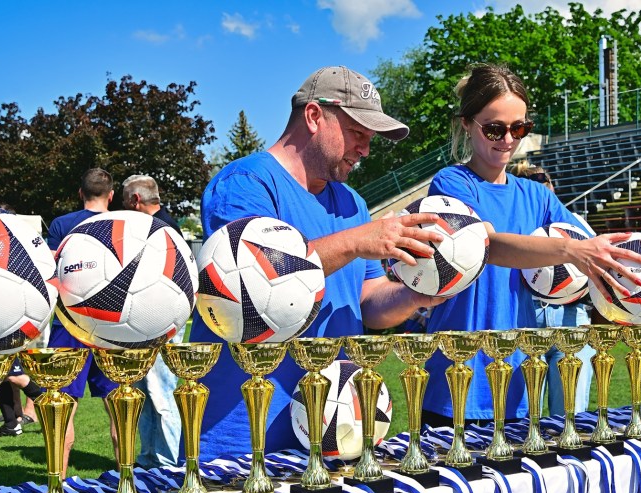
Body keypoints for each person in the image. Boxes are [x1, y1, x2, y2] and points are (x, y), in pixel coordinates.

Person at [192, 65, 452, 458]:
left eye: (370, 139)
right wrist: (356, 242)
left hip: (335, 430)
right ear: (314, 116)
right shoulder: (245, 184)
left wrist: (418, 294)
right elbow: (249, 286)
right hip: (244, 433)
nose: (365, 149)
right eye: (358, 133)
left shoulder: (353, 203)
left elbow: (367, 301)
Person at [421, 63, 641, 425]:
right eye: (494, 128)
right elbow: (488, 246)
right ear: (467, 124)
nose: (508, 139)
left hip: (518, 386)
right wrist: (571, 250)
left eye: (519, 128)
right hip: (456, 382)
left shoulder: (537, 196)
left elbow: (586, 246)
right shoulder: (452, 182)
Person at [46, 169, 119, 474]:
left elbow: (49, 273)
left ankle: (58, 484)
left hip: (68, 324)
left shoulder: (61, 224)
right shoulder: (123, 223)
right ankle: (126, 480)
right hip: (112, 325)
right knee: (120, 406)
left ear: (80, 193)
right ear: (111, 195)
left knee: (62, 407)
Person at [510, 161, 596, 415]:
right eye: (531, 185)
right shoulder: (512, 227)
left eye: (543, 184)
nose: (541, 190)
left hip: (570, 316)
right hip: (525, 317)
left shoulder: (573, 222)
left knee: (570, 415)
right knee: (525, 416)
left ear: (552, 187)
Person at [121, 174, 184, 467]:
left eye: (124, 202)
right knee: (146, 393)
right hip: (149, 321)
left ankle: (168, 462)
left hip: (161, 322)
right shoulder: (162, 226)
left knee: (162, 393)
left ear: (136, 200)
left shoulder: (161, 230)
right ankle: (148, 458)